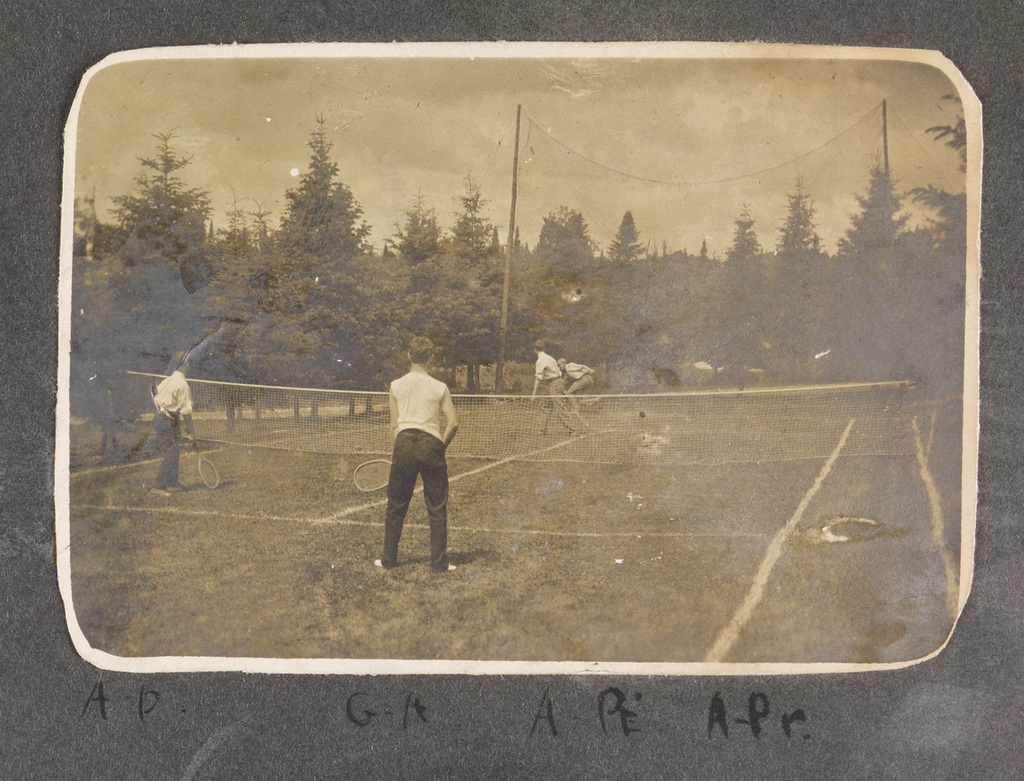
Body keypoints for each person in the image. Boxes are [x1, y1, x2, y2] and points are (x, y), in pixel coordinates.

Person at [376, 336, 459, 572]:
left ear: (409, 356)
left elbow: (394, 426)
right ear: (430, 357)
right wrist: (437, 448)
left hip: (403, 443)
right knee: (436, 506)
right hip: (431, 444)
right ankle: (439, 563)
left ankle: (389, 560)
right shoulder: (440, 386)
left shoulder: (395, 385)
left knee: (395, 505)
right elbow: (453, 423)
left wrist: (403, 448)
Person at [150, 356, 195, 495]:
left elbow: (156, 396)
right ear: (185, 365)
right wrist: (192, 432)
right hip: (165, 420)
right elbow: (186, 412)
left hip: (161, 418)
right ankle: (158, 486)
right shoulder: (182, 385)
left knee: (174, 451)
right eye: (188, 364)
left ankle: (172, 483)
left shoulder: (167, 380)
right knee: (171, 452)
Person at [531, 339, 575, 434]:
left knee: (559, 407)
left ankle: (572, 429)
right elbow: (558, 372)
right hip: (551, 383)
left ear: (534, 350)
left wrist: (533, 395)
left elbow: (538, 378)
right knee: (545, 406)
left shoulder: (540, 360)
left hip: (555, 383)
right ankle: (542, 430)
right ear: (544, 348)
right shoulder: (550, 358)